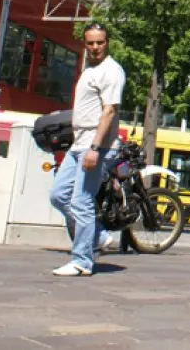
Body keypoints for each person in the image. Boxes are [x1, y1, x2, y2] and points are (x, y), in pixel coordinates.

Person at [49, 22, 125, 277]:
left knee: (81, 201)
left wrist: (94, 148)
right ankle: (98, 234)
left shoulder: (111, 71)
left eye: (100, 42)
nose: (95, 47)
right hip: (79, 144)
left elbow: (109, 110)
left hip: (96, 146)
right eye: (90, 43)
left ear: (107, 42)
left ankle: (82, 260)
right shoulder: (89, 68)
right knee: (59, 195)